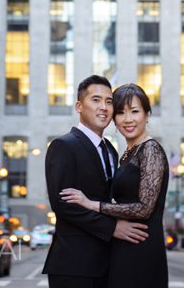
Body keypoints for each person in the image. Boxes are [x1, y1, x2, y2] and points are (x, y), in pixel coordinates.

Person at [43, 75, 149, 288]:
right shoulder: (63, 146)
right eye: (96, 100)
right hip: (74, 265)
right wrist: (113, 228)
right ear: (79, 106)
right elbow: (63, 204)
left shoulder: (110, 150)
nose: (104, 107)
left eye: (109, 102)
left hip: (108, 262)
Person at [60, 83, 169, 288]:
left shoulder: (151, 150)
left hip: (141, 245)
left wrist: (93, 204)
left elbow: (144, 208)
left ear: (147, 114)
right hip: (123, 245)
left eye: (135, 112)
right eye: (120, 113)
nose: (128, 120)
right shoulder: (128, 154)